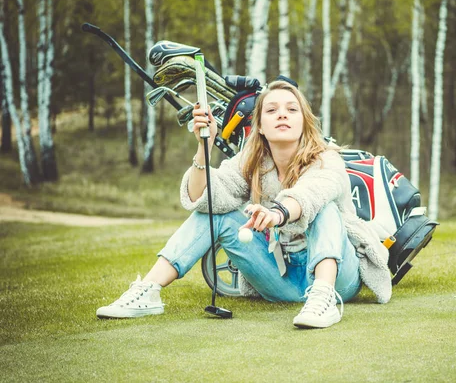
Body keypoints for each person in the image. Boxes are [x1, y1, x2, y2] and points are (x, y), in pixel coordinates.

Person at [96, 80, 392, 328]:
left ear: (304, 121)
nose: (282, 115)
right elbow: (205, 198)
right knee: (215, 215)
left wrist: (278, 213)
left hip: (339, 276)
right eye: (272, 110)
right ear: (260, 125)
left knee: (324, 208)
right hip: (281, 277)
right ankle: (147, 292)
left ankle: (323, 299)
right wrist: (204, 147)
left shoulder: (327, 158)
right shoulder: (251, 162)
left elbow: (311, 194)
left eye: (291, 109)